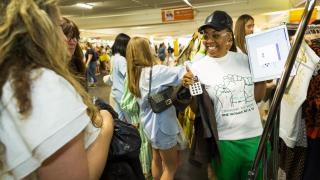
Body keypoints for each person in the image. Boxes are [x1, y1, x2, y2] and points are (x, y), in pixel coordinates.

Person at [0, 0, 114, 179]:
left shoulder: (11, 78)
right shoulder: (41, 84)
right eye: (58, 26)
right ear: (43, 28)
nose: (65, 39)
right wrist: (107, 126)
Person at [181, 10, 266, 180]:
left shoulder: (245, 60)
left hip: (255, 137)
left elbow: (257, 98)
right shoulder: (198, 67)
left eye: (215, 35)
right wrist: (190, 90)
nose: (209, 41)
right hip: (224, 143)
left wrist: (262, 77)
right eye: (205, 36)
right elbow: (198, 110)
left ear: (229, 38)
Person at [126, 37, 185, 180]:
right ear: (146, 51)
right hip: (163, 125)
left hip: (149, 124)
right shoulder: (156, 72)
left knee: (157, 160)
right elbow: (182, 72)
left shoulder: (134, 74)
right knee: (170, 168)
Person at [61, 17, 87, 90]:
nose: (73, 42)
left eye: (75, 37)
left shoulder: (77, 64)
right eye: (68, 36)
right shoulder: (49, 69)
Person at [109, 33, 131, 121]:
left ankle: (118, 134)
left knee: (119, 119)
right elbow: (128, 75)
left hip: (116, 92)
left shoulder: (113, 57)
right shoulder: (121, 59)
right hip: (122, 93)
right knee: (131, 120)